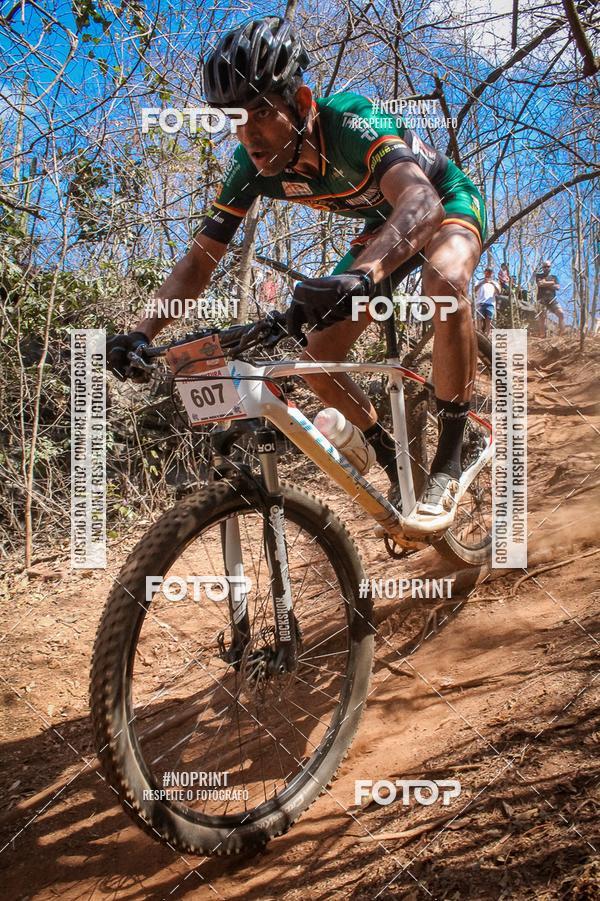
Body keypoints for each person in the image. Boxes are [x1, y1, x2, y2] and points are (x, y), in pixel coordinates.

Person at [106, 16, 488, 536]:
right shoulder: (251, 166)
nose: (249, 134)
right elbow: (199, 261)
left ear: (303, 104)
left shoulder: (350, 122)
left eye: (261, 112)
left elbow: (420, 203)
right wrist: (141, 332)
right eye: (237, 120)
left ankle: (452, 449)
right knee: (314, 359)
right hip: (381, 223)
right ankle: (389, 452)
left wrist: (366, 275)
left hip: (441, 203)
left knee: (443, 288)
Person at [535, 260, 565, 337]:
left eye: (548, 266)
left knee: (561, 314)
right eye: (544, 266)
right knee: (542, 317)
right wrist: (552, 283)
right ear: (542, 268)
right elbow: (540, 284)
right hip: (542, 299)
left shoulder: (554, 277)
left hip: (552, 299)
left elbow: (557, 287)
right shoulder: (539, 276)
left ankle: (562, 335)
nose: (546, 268)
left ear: (550, 267)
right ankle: (542, 335)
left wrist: (545, 283)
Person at [474, 267, 499, 336]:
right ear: (484, 273)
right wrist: (482, 282)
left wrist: (492, 283)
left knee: (489, 319)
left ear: (492, 274)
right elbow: (474, 290)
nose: (488, 274)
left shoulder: (495, 283)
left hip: (490, 303)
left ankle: (487, 335)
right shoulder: (479, 281)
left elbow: (499, 292)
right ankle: (479, 334)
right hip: (480, 303)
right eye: (487, 272)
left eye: (490, 272)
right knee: (479, 318)